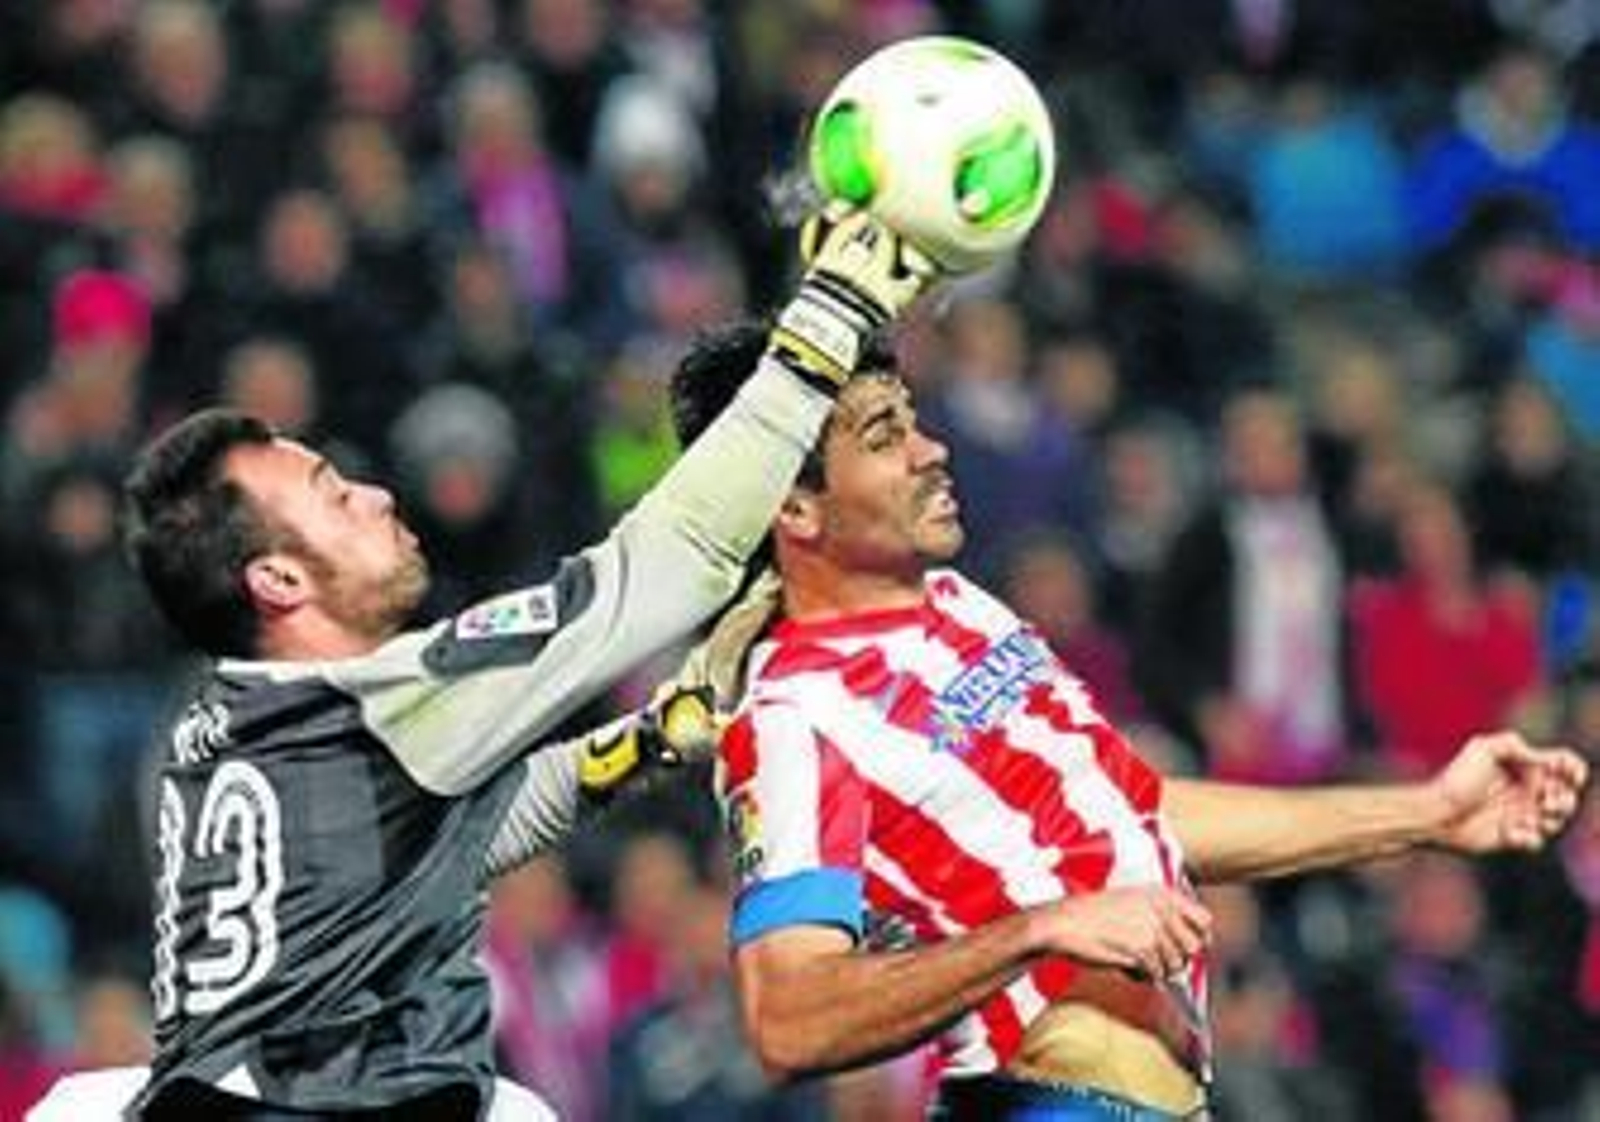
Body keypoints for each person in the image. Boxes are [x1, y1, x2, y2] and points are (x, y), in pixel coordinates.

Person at [27, 209, 936, 1120]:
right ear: (276, 577)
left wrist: (649, 738)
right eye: (335, 498)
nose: (377, 496)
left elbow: (444, 844)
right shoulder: (382, 701)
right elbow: (671, 555)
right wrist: (826, 319)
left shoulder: (217, 723)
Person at [666, 324, 1590, 1121]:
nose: (930, 450)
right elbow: (787, 1016)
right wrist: (1040, 929)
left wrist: (1428, 816)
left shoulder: (959, 604)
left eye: (914, 420)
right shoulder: (796, 715)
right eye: (884, 436)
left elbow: (1134, 810)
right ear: (792, 505)